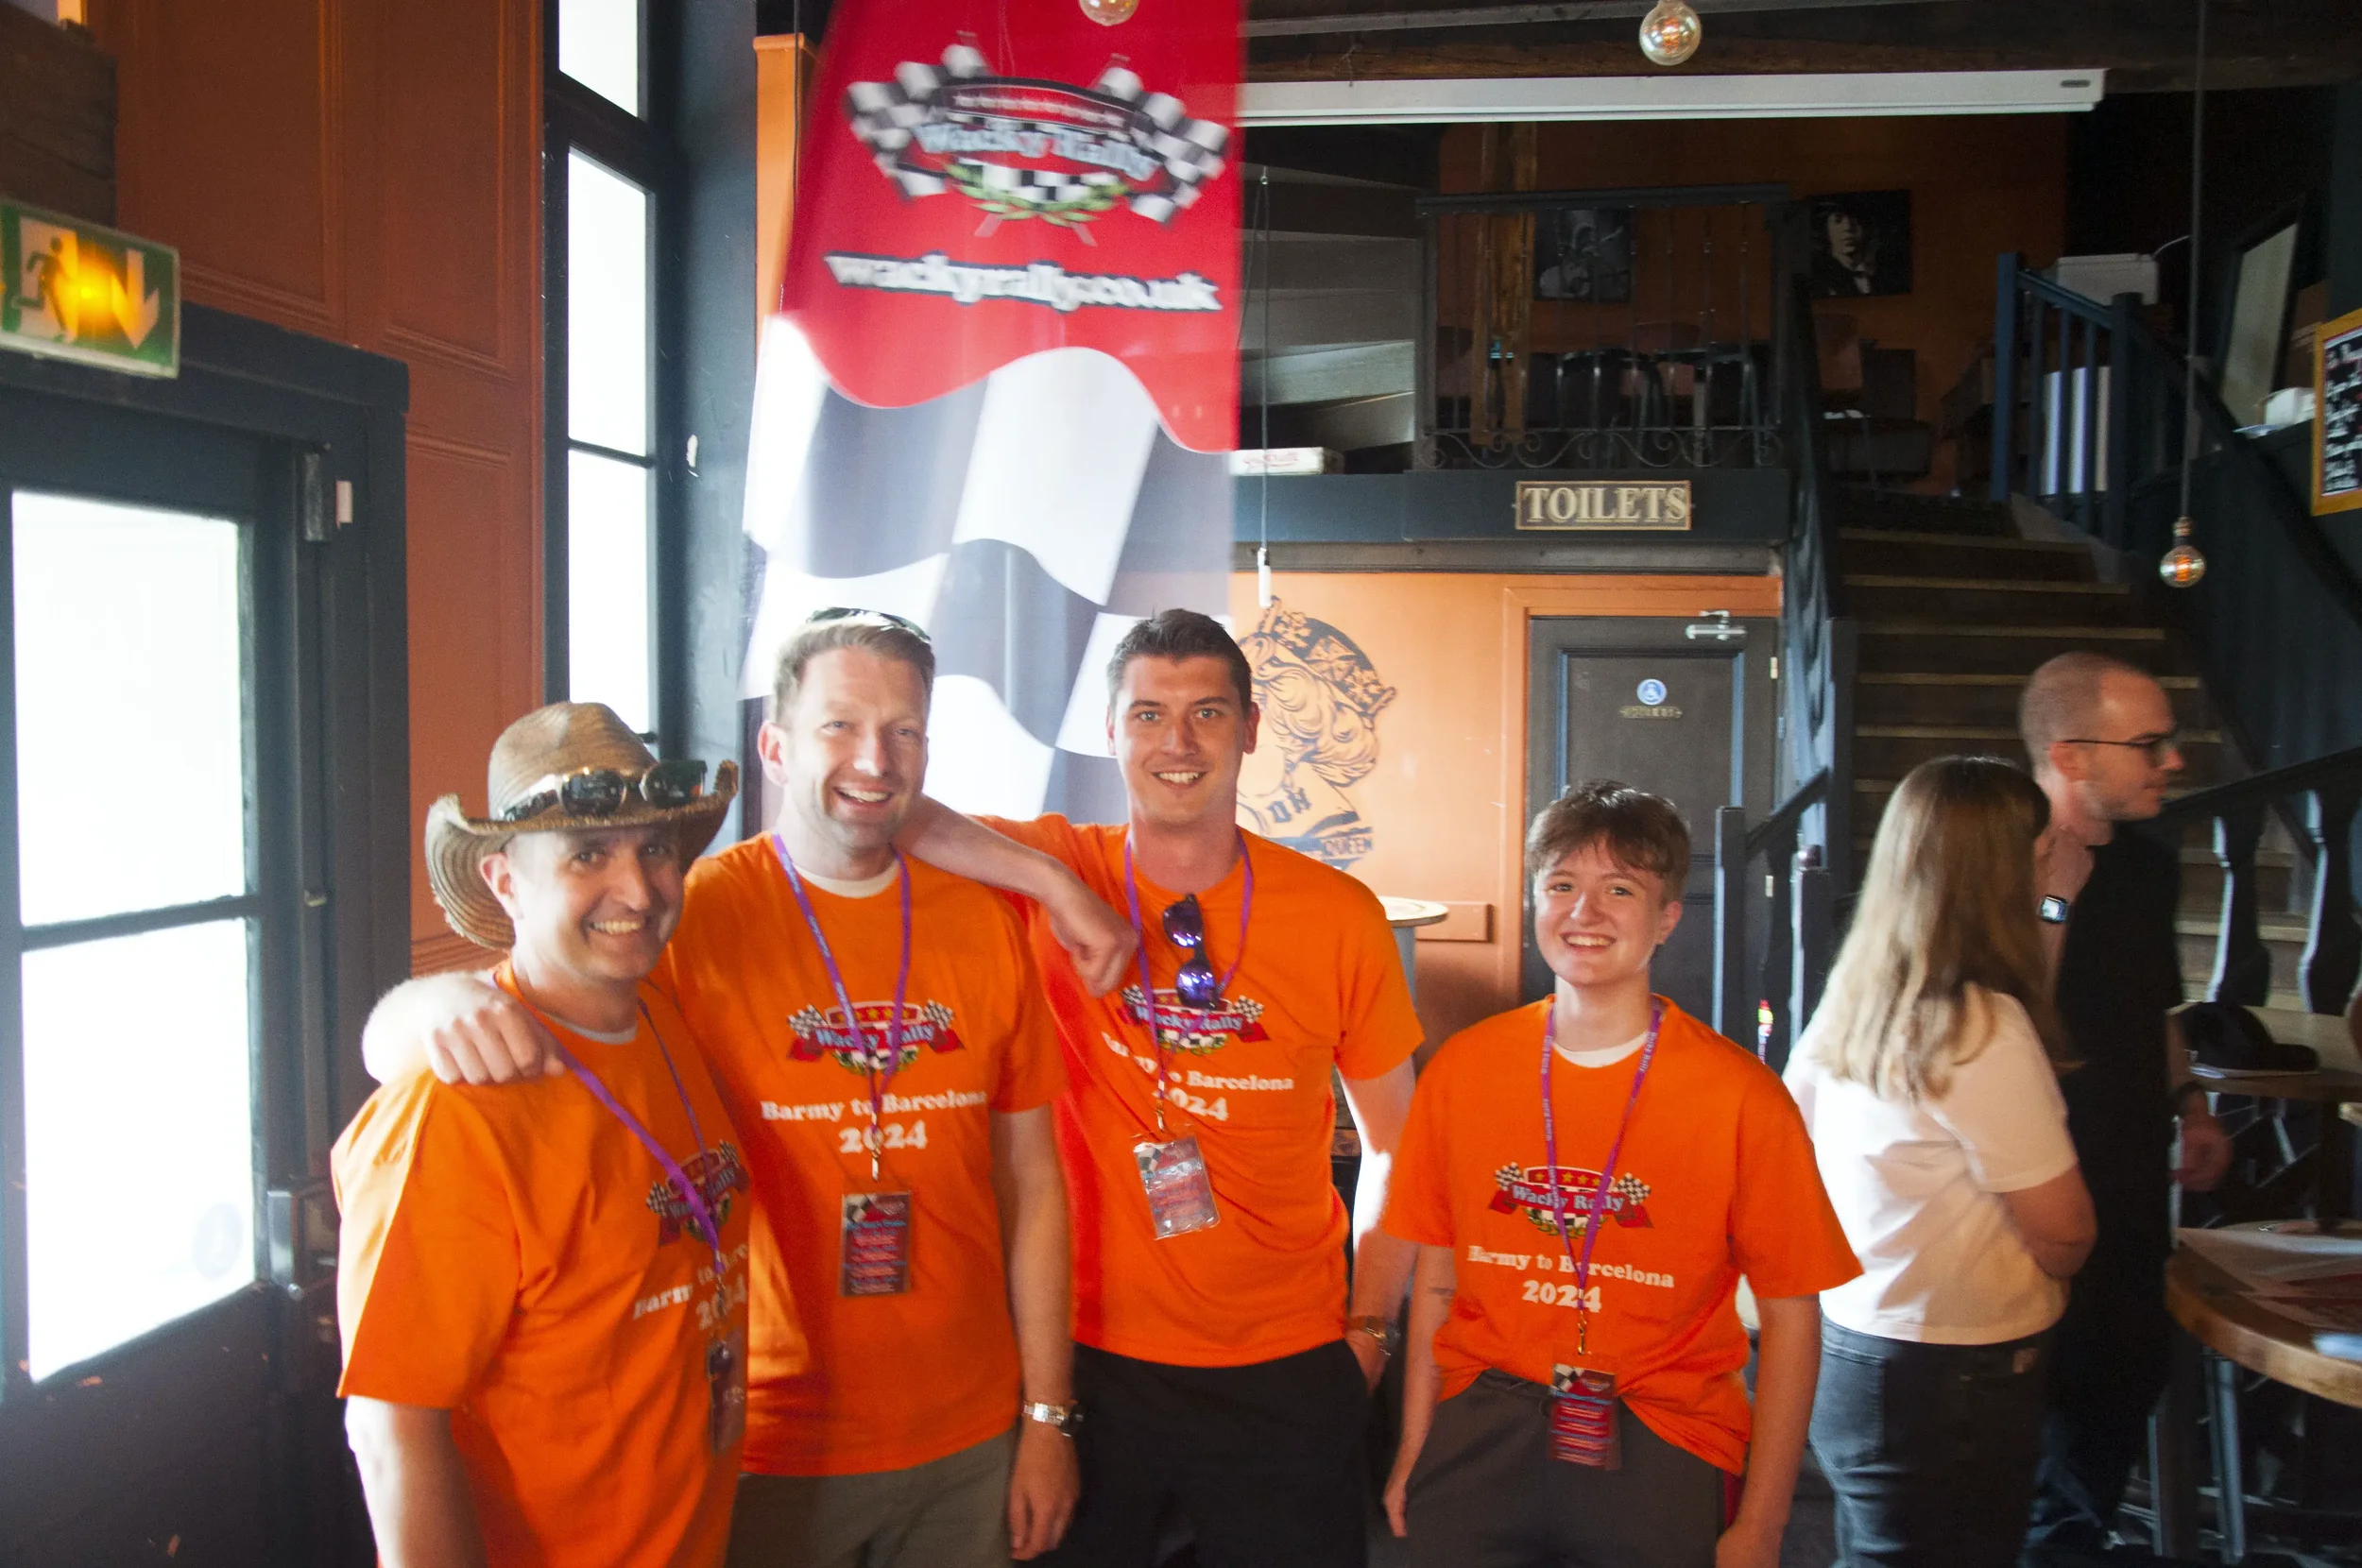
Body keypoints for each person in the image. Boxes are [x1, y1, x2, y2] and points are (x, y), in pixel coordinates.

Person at [362, 613, 1092, 1567]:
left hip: (950, 1432)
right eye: (838, 724)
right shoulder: (686, 922)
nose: (873, 756)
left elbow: (1034, 1180)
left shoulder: (981, 923)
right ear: (776, 746)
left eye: (903, 729)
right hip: (759, 1442)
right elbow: (389, 1428)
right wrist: (421, 1009)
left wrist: (1048, 1414)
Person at [895, 608, 1426, 1568]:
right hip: (1084, 1360)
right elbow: (892, 810)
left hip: (1287, 1364)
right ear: (1109, 731)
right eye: (1147, 715)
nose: (1175, 743)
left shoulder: (1336, 915)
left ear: (1252, 729)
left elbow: (1401, 1148)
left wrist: (1369, 1333)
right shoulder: (1058, 865)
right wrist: (1055, 888)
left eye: (1207, 713)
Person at [1378, 781, 1860, 1568]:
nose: (1584, 912)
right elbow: (1438, 1278)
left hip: (1662, 1433)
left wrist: (1764, 1522)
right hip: (1481, 1427)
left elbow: (1793, 1318)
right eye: (1561, 885)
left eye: (1620, 890)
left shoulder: (1740, 1096)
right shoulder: (1465, 1070)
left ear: (1668, 915)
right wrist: (1414, 1449)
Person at [335, 702, 762, 1567]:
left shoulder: (662, 1018)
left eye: (655, 849)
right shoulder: (449, 1114)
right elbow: (389, 1435)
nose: (637, 891)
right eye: (587, 855)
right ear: (503, 881)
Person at [1786, 757, 2098, 1568]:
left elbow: (1791, 1139)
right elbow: (2066, 1234)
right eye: (2038, 855)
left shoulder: (1859, 993)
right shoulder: (1980, 1029)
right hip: (1952, 1377)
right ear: (2000, 875)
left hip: (1855, 1346)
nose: (2050, 862)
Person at [2017, 653, 2233, 1564]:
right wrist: (2057, 898)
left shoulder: (2148, 860)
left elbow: (2159, 1007)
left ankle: (2067, 1542)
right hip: (2030, 1180)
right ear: (2070, 757)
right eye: (2149, 744)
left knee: (2127, 1371)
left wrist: (2192, 1105)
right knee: (2034, 1397)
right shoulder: (1996, 851)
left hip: (2136, 1176)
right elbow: (2011, 1020)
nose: (2172, 761)